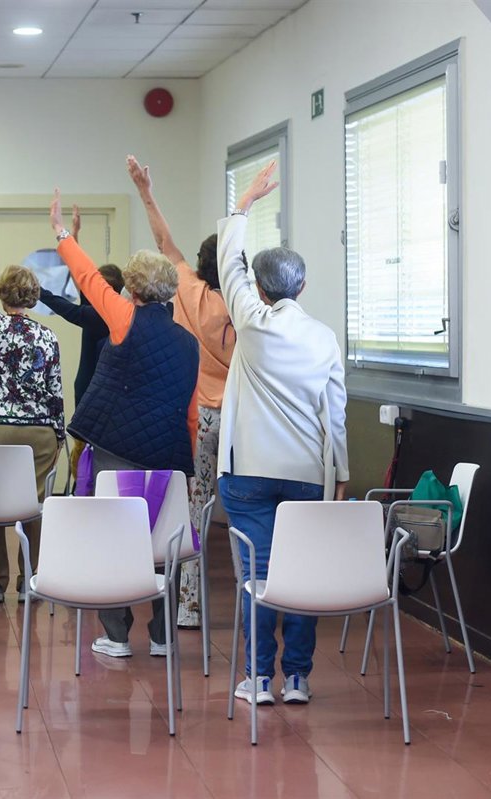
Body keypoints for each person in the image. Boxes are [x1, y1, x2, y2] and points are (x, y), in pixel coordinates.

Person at [216, 162, 349, 707]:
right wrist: (339, 476)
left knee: (259, 575)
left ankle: (256, 679)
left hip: (247, 473)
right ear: (303, 286)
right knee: (300, 575)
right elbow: (334, 415)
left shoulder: (250, 320)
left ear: (259, 288)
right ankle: (297, 678)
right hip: (306, 476)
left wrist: (245, 201)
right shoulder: (324, 338)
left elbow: (229, 262)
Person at [51, 188, 199, 658]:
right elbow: (191, 412)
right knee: (162, 543)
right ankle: (162, 637)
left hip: (118, 449)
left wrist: (61, 234)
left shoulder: (125, 317)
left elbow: (89, 279)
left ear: (132, 290)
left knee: (112, 539)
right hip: (171, 455)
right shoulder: (187, 341)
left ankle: (116, 635)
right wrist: (188, 464)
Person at [127, 155, 237, 630]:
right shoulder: (241, 310)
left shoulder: (186, 289)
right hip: (235, 420)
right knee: (241, 510)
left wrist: (146, 193)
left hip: (192, 416)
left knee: (192, 511)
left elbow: (163, 241)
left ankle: (187, 605)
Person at [0, 228, 65, 605]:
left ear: (2, 294)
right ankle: (30, 579)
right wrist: (59, 435)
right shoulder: (48, 337)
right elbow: (56, 390)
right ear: (33, 298)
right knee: (31, 505)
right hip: (37, 431)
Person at [35, 205, 123, 485]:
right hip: (88, 387)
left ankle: (86, 489)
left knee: (94, 450)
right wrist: (73, 237)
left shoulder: (104, 315)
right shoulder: (113, 310)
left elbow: (68, 307)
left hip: (99, 389)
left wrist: (39, 291)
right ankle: (81, 489)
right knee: (83, 450)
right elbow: (82, 275)